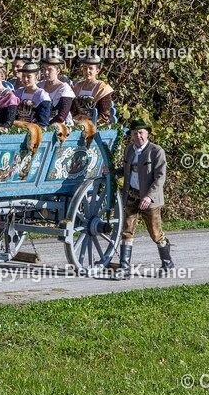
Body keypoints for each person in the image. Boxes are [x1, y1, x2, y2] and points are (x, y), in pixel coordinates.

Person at [114, 119, 173, 278]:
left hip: (150, 199)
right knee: (127, 231)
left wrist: (148, 196)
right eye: (135, 133)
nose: (138, 136)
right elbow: (126, 169)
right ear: (131, 135)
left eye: (141, 132)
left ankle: (167, 263)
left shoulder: (156, 151)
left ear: (147, 134)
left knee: (155, 233)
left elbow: (160, 178)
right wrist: (112, 172)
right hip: (131, 196)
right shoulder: (129, 150)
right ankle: (124, 269)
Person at [72, 55, 115, 123]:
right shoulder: (77, 86)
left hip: (95, 122)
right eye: (85, 68)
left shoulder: (103, 88)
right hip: (77, 121)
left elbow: (104, 114)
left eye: (91, 68)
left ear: (97, 71)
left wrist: (90, 121)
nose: (87, 71)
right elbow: (72, 109)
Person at [40, 55, 75, 125]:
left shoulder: (65, 89)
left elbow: (62, 116)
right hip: (40, 123)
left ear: (58, 71)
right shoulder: (39, 86)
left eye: (49, 70)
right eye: (44, 69)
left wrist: (46, 125)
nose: (46, 72)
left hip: (60, 125)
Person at [13, 62, 52, 126]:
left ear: (36, 77)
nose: (25, 79)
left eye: (29, 77)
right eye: (23, 76)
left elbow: (43, 123)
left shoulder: (42, 95)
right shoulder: (18, 93)